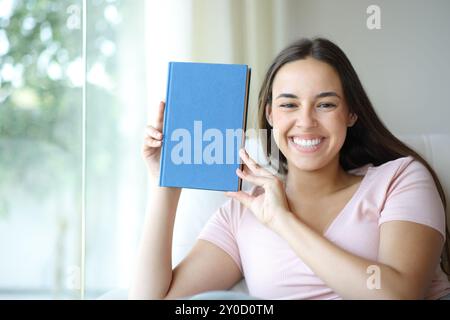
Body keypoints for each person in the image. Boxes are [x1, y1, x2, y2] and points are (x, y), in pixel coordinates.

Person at [129, 37, 450, 300]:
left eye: (325, 104)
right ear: (270, 115)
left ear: (351, 113)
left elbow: (399, 296)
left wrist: (282, 222)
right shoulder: (243, 213)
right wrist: (165, 182)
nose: (306, 121)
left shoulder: (400, 178)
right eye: (289, 104)